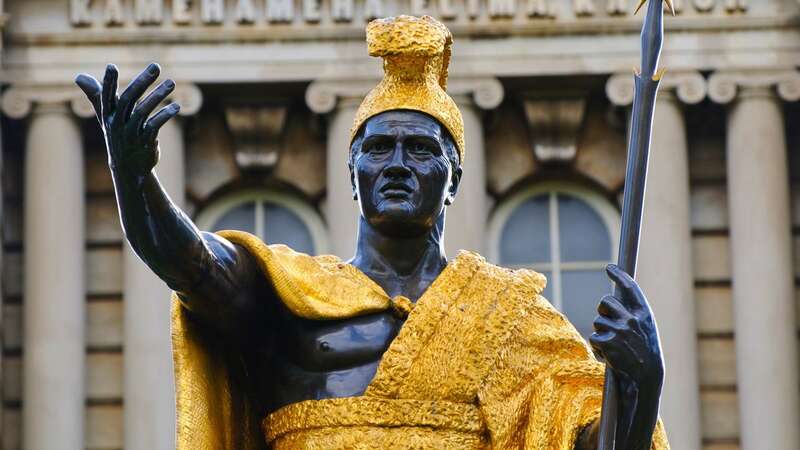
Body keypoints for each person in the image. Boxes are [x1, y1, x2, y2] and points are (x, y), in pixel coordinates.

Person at [76, 14, 668, 450]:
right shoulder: (293, 293)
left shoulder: (508, 317)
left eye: (421, 149)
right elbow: (189, 265)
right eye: (379, 148)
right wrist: (135, 179)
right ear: (353, 174)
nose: (398, 163)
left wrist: (642, 381)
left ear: (454, 177)